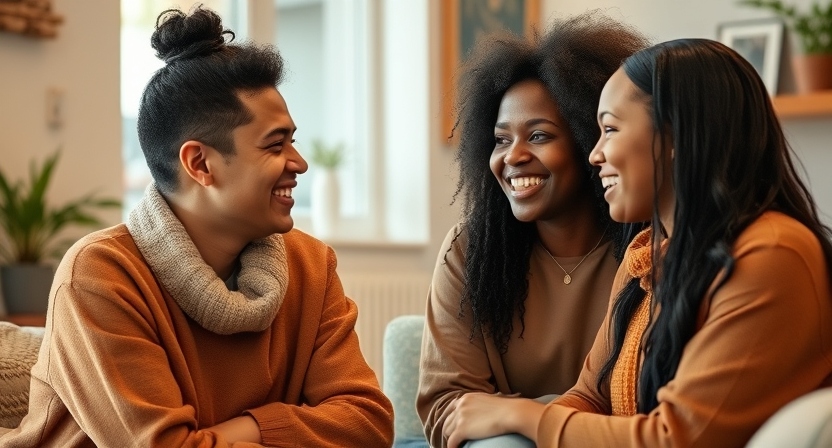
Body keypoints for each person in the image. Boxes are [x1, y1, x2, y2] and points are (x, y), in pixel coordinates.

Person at [0, 6, 393, 447]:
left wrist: (250, 429)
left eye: (293, 141)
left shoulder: (312, 266)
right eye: (275, 145)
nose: (299, 163)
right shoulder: (99, 277)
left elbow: (368, 423)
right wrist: (299, 428)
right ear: (200, 163)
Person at [443, 38, 832, 448]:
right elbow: (590, 396)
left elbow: (677, 438)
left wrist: (520, 413)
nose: (594, 154)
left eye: (609, 129)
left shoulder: (772, 255)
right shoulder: (647, 256)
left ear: (677, 134)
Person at [417, 12, 648, 448]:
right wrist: (526, 425)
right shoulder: (470, 252)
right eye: (502, 140)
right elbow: (449, 404)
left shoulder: (648, 250)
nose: (513, 157)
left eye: (539, 136)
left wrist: (529, 412)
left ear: (590, 144)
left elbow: (651, 410)